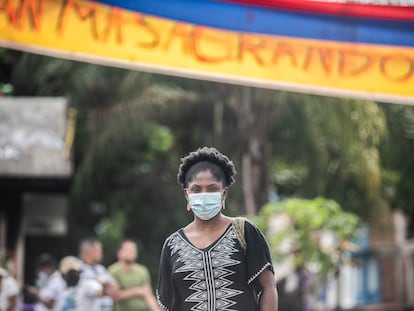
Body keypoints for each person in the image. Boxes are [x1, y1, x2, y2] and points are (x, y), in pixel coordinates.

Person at [156, 146, 278, 311]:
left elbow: (268, 288)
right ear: (187, 195)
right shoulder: (172, 245)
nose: (204, 194)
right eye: (196, 189)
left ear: (224, 193)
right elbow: (165, 305)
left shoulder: (244, 231)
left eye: (212, 189)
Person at [108, 240, 158, 311]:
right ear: (119, 253)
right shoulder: (113, 271)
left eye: (134, 250)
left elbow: (148, 294)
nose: (132, 252)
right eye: (128, 250)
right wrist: (138, 291)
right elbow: (115, 296)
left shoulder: (142, 270)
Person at [78, 238, 118, 311]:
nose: (101, 253)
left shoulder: (100, 269)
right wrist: (105, 287)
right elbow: (95, 292)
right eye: (99, 251)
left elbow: (115, 288)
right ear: (89, 251)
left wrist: (103, 285)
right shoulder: (77, 268)